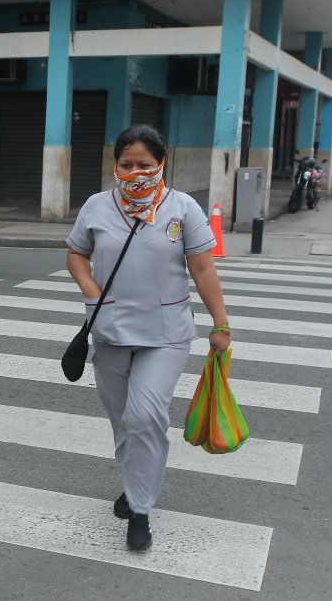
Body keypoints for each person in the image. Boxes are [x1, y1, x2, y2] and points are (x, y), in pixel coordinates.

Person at [65, 124, 230, 552]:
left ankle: (140, 509)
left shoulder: (183, 209)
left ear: (161, 164)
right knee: (123, 421)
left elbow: (203, 269)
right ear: (115, 165)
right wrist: (91, 292)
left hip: (166, 333)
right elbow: (76, 254)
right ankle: (132, 481)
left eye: (144, 164)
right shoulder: (97, 207)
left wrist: (220, 322)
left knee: (145, 416)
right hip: (110, 331)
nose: (135, 172)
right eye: (126, 164)